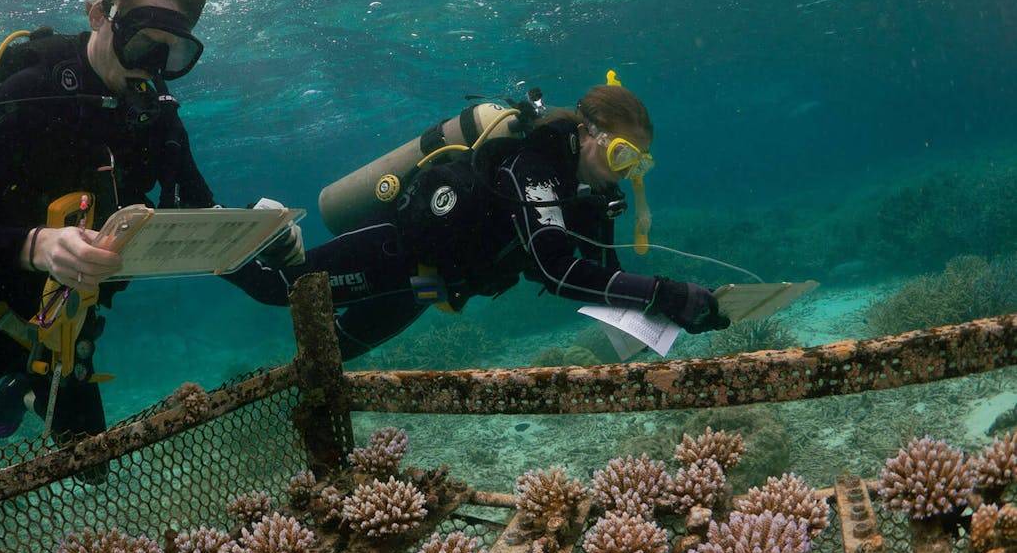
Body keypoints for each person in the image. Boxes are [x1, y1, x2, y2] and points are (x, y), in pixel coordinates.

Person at [0, 0, 218, 487]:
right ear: (98, 16)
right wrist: (37, 245)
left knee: (93, 471)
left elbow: (203, 216)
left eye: (171, 53)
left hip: (69, 328)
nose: (151, 69)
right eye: (140, 44)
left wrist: (264, 235)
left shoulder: (158, 118)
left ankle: (20, 389)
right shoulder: (28, 92)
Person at [225, 83, 731, 360]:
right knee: (278, 290)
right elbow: (558, 273)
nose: (622, 173)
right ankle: (234, 236)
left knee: (337, 352)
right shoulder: (531, 166)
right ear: (590, 133)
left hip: (428, 285)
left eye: (635, 164)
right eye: (620, 155)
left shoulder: (588, 196)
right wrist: (664, 292)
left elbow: (603, 274)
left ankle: (292, 397)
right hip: (395, 250)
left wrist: (671, 308)